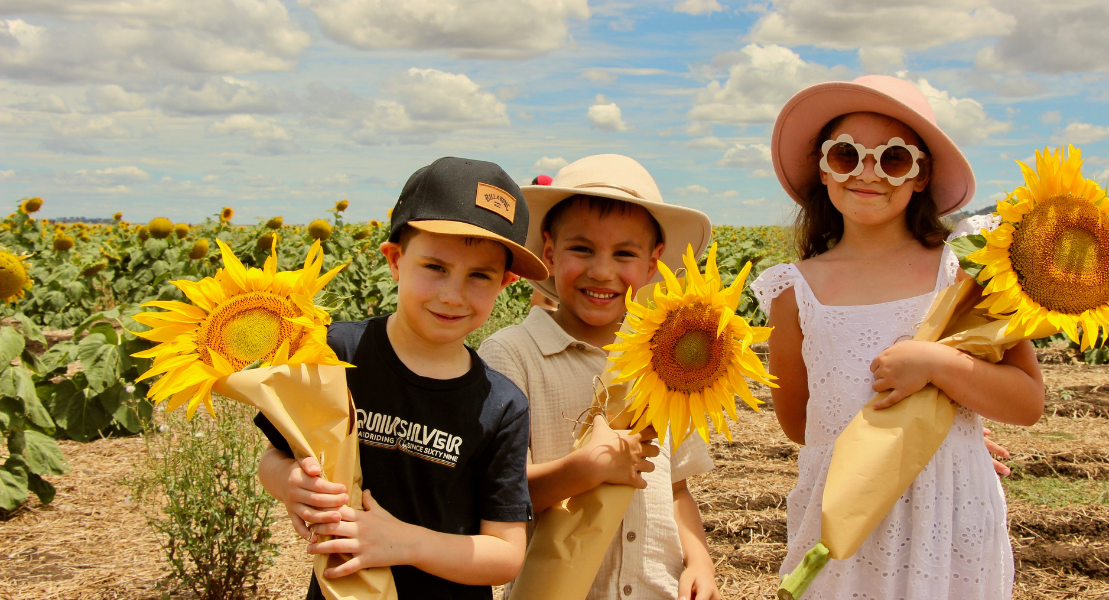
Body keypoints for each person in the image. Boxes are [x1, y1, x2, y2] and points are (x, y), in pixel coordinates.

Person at [749, 75, 1043, 599]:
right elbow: (801, 423)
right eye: (846, 155)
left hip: (950, 509)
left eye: (893, 158)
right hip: (842, 515)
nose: (868, 172)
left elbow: (1027, 402)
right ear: (823, 167)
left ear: (921, 174)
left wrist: (939, 371)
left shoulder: (966, 272)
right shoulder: (792, 293)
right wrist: (905, 434)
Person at [255, 157, 550, 600]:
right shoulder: (336, 353)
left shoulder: (500, 404)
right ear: (395, 260)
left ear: (505, 283)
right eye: (435, 268)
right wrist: (292, 485)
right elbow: (273, 457)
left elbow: (505, 554)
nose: (453, 294)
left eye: (479, 276)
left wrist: (402, 543)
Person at [478, 154, 722, 600]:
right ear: (549, 254)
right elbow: (501, 498)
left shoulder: (668, 361)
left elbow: (677, 488)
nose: (602, 271)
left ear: (653, 264)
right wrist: (584, 469)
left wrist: (700, 561)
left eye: (624, 253)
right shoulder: (513, 355)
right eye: (582, 249)